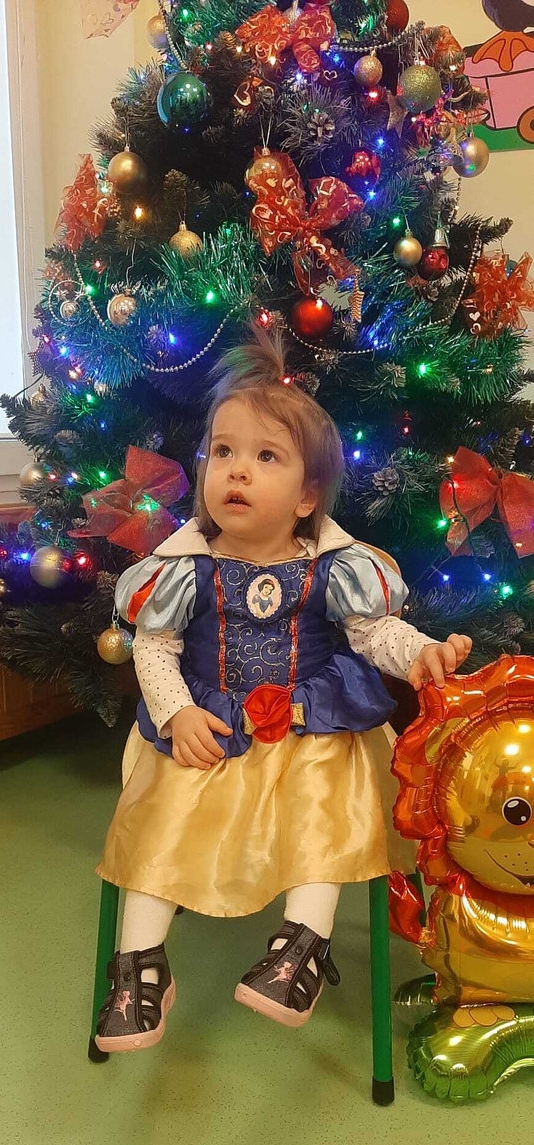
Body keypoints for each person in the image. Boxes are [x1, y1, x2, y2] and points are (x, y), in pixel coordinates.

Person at [94, 324, 472, 1052]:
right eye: (223, 452)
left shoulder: (333, 566)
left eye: (265, 457)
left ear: (306, 497)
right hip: (209, 723)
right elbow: (156, 648)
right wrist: (175, 715)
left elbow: (374, 634)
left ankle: (302, 944)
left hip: (310, 720)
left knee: (324, 794)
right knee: (160, 809)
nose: (236, 471)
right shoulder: (185, 568)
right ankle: (140, 964)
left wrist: (421, 653)